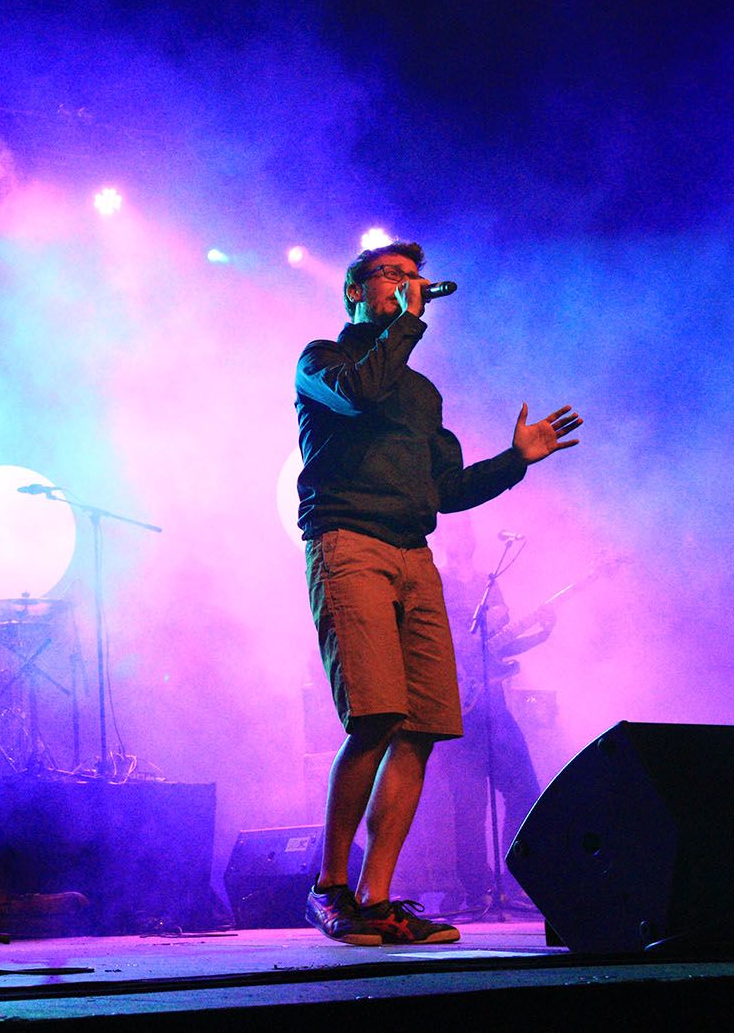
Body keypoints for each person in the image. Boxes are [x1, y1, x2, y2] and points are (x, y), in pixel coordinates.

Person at [295, 240, 581, 945]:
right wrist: (406, 326)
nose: (405, 284)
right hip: (349, 542)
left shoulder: (422, 394)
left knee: (422, 723)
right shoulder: (322, 360)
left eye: (411, 277)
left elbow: (446, 491)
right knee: (375, 713)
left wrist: (518, 459)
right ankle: (331, 887)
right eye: (389, 275)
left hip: (415, 553)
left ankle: (379, 896)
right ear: (354, 293)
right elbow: (361, 394)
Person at [434, 518, 553, 910]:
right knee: (469, 803)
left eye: (466, 530)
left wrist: (541, 634)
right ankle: (476, 889)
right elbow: (434, 634)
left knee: (525, 790)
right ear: (443, 538)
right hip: (458, 706)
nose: (461, 537)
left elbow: (500, 647)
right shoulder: (439, 580)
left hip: (495, 706)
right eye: (454, 531)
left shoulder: (488, 580)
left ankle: (517, 878)